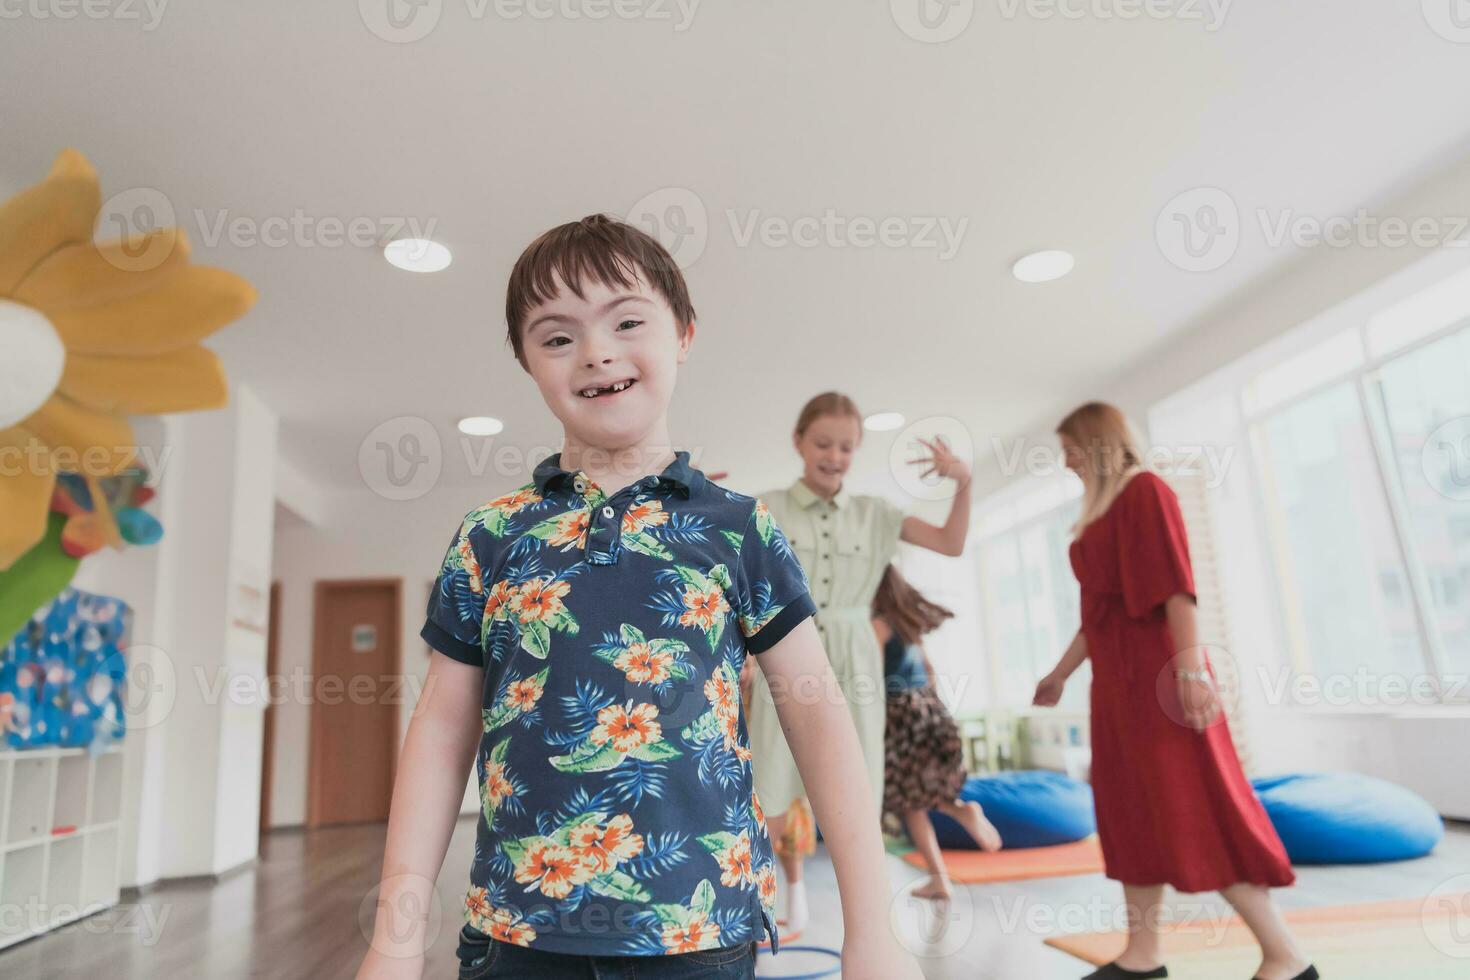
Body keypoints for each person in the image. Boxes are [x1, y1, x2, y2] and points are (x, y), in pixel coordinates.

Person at [354, 215, 923, 980]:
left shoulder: (740, 528)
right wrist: (393, 940)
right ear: (526, 362)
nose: (596, 351)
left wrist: (873, 932)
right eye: (557, 337)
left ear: (684, 333)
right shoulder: (489, 535)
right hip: (515, 935)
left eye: (626, 321)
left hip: (703, 932)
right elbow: (441, 729)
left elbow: (818, 713)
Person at [1033, 401, 1317, 980]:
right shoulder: (1102, 509)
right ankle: (1142, 957)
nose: (1065, 463)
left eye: (1070, 451)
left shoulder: (1146, 492)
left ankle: (1286, 955)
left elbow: (1177, 591)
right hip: (1117, 690)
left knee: (1196, 808)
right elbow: (1098, 617)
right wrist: (1061, 672)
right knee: (1132, 813)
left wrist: (1189, 672)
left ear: (1097, 443)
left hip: (1162, 683)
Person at [743, 392, 972, 932]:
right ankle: (754, 905)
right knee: (770, 779)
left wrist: (963, 483)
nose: (835, 456)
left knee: (857, 788)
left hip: (855, 660)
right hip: (786, 651)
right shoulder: (763, 507)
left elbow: (951, 542)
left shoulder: (877, 514)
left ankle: (867, 924)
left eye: (847, 447)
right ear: (798, 442)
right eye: (823, 443)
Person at [872, 563, 1001, 902]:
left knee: (907, 800)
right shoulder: (909, 623)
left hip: (898, 713)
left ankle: (960, 815)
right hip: (928, 707)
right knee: (913, 801)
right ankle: (940, 879)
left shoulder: (878, 625)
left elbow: (871, 677)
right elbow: (928, 668)